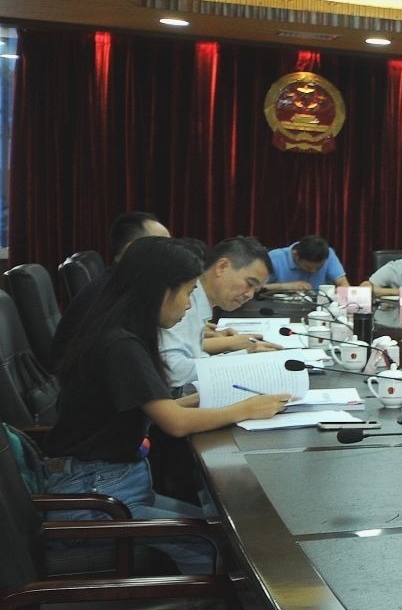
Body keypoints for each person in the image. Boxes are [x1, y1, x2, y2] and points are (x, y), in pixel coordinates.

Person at [41, 237, 289, 571]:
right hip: (93, 497)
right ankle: (207, 604)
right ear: (159, 290)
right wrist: (246, 409)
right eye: (187, 292)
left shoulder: (120, 332)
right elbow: (174, 423)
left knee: (224, 533)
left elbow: (154, 410)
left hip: (109, 483)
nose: (188, 305)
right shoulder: (120, 345)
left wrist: (202, 399)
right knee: (217, 548)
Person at [158, 235, 281, 391]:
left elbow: (193, 357)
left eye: (255, 290)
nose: (250, 295)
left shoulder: (200, 301)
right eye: (249, 284)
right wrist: (241, 359)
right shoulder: (183, 303)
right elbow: (174, 371)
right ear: (222, 267)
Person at [52, 209, 169, 366]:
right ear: (132, 249)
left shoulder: (120, 283)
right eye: (162, 246)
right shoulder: (115, 296)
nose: (169, 254)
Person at [262, 234, 346, 293]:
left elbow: (343, 284)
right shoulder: (275, 258)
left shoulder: (328, 254)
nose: (313, 271)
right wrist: (286, 286)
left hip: (319, 308)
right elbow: (257, 288)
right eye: (308, 267)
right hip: (279, 308)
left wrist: (341, 293)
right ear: (296, 255)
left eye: (319, 268)